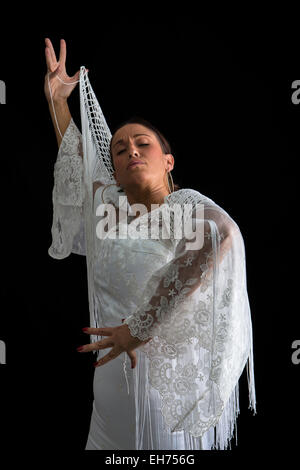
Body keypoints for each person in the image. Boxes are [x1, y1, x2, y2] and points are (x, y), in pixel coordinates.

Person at [45, 38, 256, 451]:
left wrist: (138, 328)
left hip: (156, 401)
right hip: (105, 406)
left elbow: (222, 237)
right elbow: (74, 156)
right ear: (115, 171)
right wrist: (56, 100)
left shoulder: (182, 207)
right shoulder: (107, 204)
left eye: (143, 144)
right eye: (120, 149)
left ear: (168, 160)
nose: (132, 151)